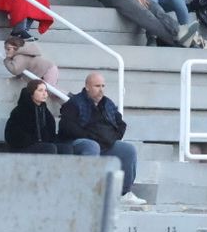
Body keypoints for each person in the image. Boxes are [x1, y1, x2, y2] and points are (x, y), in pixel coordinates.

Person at [59, 72, 145, 205]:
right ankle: (89, 192)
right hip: (79, 142)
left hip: (104, 143)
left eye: (103, 86)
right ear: (87, 86)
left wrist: (113, 138)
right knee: (92, 146)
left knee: (128, 150)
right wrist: (89, 136)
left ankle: (123, 193)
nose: (101, 90)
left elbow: (120, 123)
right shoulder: (74, 103)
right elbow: (66, 126)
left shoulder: (107, 103)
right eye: (97, 86)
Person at [5, 79, 89, 154]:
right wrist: (34, 140)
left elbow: (50, 132)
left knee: (66, 148)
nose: (44, 93)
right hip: (23, 147)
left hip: (42, 145)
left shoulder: (45, 111)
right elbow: (12, 135)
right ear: (31, 93)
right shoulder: (20, 111)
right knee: (49, 148)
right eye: (40, 90)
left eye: (45, 90)